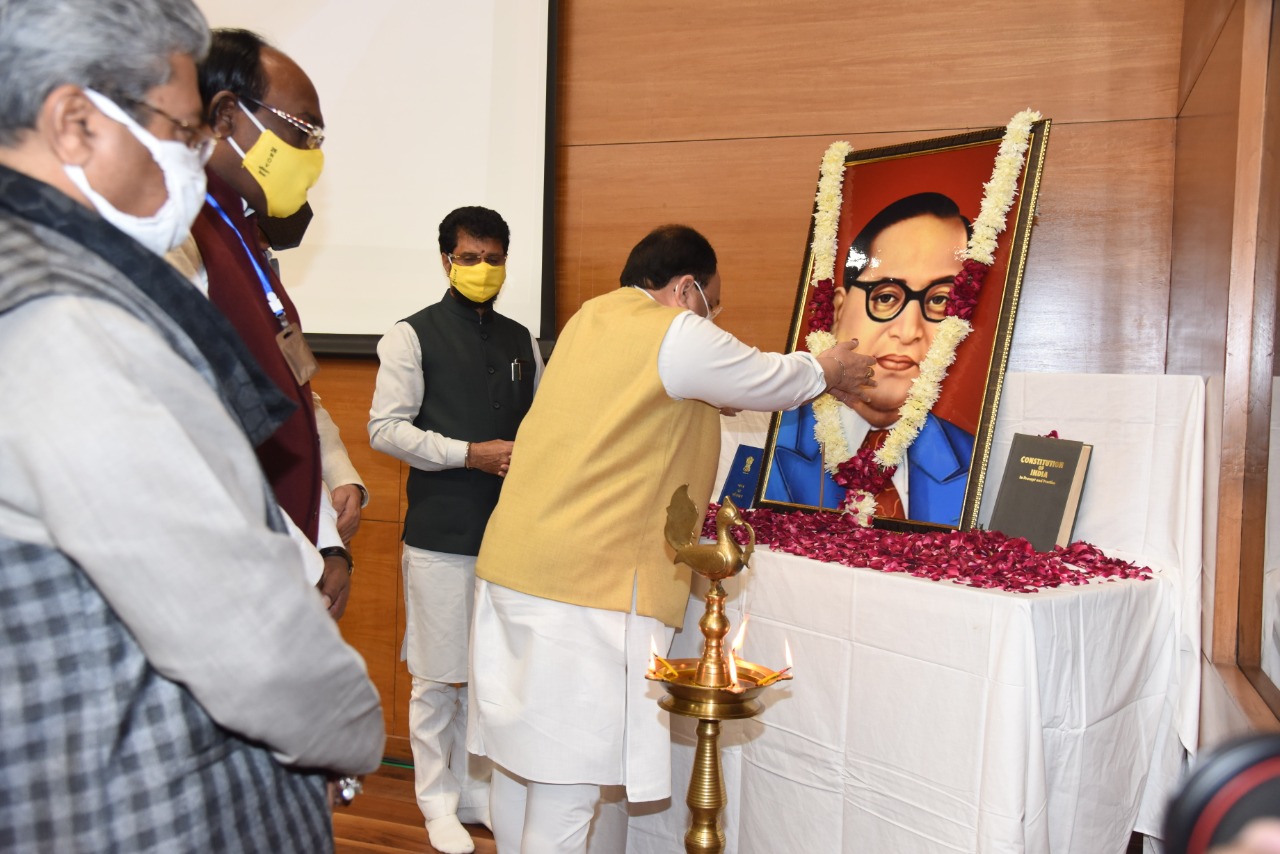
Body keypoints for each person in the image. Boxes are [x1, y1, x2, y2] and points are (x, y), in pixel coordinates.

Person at [0, 2, 384, 851]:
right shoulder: (67, 325)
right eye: (180, 129)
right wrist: (357, 727)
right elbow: (243, 637)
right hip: (146, 802)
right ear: (74, 123)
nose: (193, 155)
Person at [467, 224, 876, 852]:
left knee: (517, 760)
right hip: (585, 585)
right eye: (714, 302)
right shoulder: (676, 330)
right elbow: (768, 379)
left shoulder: (590, 319)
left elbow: (631, 412)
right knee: (568, 780)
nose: (714, 319)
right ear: (686, 288)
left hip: (515, 567)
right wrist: (828, 368)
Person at [166, 28, 364, 615]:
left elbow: (290, 391)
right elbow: (191, 433)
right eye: (303, 131)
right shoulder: (176, 236)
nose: (314, 155)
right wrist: (299, 564)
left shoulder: (246, 241)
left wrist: (327, 539)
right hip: (223, 578)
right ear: (227, 117)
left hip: (279, 564)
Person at [368, 206, 542, 854]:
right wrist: (469, 453)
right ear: (446, 260)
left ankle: (475, 794)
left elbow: (543, 426)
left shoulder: (521, 337)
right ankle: (436, 800)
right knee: (439, 678)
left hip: (509, 538)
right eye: (470, 258)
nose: (482, 269)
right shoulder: (410, 335)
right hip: (440, 534)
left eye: (493, 258)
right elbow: (384, 429)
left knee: (488, 676)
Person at [763, 192, 976, 525]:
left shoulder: (974, 459)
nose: (908, 331)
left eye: (939, 301)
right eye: (887, 297)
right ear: (837, 310)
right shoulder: (777, 444)